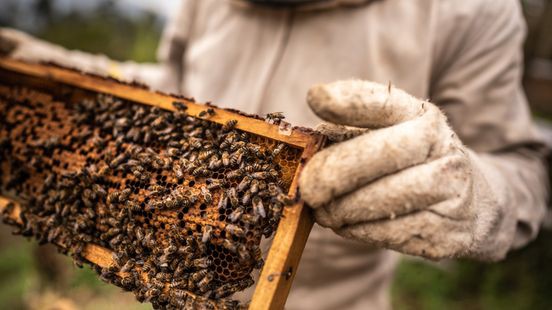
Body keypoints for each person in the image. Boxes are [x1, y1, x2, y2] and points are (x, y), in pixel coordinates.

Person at [1, 0, 549, 309]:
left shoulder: (471, 12)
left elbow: (524, 168)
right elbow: (174, 94)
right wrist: (75, 74)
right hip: (176, 289)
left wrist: (477, 196)